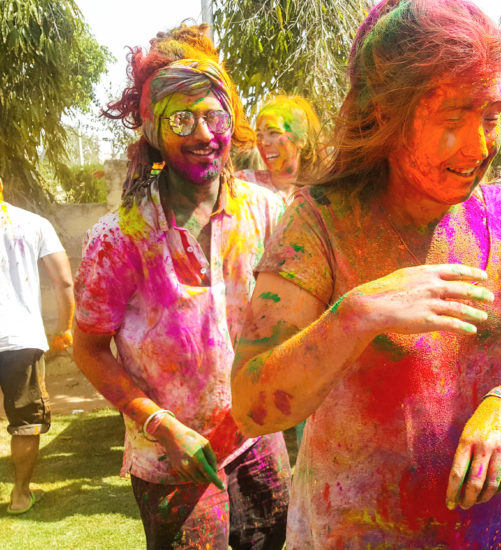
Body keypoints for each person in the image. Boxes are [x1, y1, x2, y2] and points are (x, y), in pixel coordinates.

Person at [229, 0, 501, 547]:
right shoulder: (322, 223)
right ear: (385, 116)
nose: (479, 146)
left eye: (491, 116)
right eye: (451, 120)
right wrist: (359, 314)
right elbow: (252, 406)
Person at [72, 24, 288, 549]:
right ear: (152, 130)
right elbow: (88, 349)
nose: (201, 133)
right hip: (170, 460)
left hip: (260, 446)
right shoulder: (121, 238)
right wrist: (162, 426)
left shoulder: (266, 212)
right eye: (181, 118)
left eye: (213, 114)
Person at [0, 177, 74, 514]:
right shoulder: (33, 223)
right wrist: (64, 328)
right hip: (21, 338)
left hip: (20, 337)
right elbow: (63, 281)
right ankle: (20, 495)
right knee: (26, 421)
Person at [236, 95, 322, 204]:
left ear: (300, 140)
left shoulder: (319, 196)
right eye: (259, 135)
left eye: (273, 133)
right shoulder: (242, 184)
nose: (263, 142)